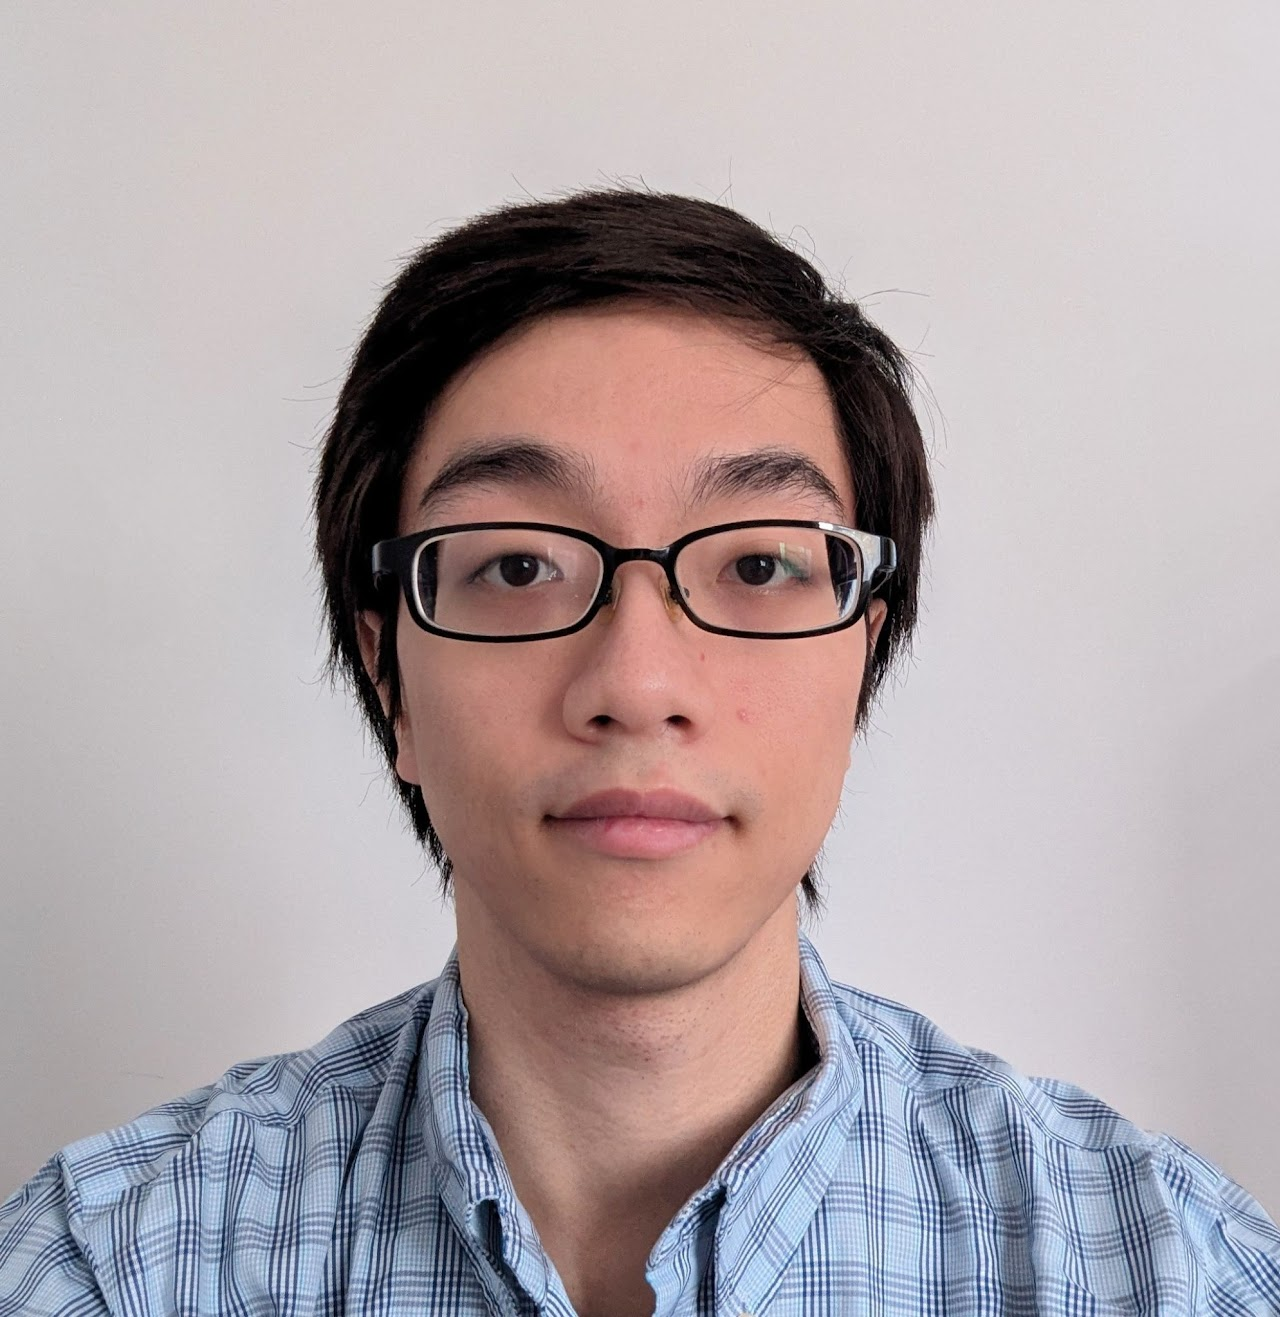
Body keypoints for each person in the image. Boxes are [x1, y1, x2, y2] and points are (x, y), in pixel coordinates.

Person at [2, 188, 1277, 1317]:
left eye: (760, 564)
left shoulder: (1157, 1271)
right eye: (514, 564)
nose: (638, 683)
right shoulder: (117, 1269)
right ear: (389, 675)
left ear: (859, 659)